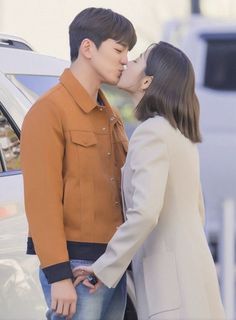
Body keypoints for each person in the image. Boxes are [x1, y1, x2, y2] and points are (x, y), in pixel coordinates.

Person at [74, 42, 226, 320]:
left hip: (170, 285)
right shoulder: (177, 132)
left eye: (138, 59)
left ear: (147, 81)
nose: (127, 62)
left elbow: (144, 212)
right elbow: (197, 212)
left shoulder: (151, 133)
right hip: (191, 276)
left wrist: (103, 267)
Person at [20, 7, 136, 320]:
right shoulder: (49, 111)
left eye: (128, 52)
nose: (125, 59)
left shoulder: (109, 114)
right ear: (87, 48)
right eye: (119, 49)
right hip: (74, 268)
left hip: (109, 266)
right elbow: (41, 200)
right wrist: (58, 275)